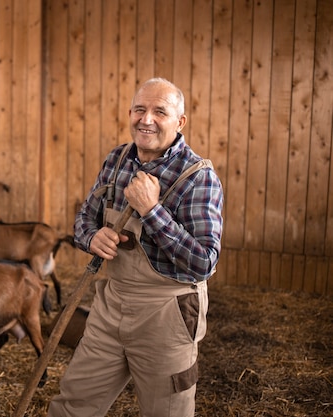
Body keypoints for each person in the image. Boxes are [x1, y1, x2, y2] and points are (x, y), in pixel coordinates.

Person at [47, 78, 224, 417]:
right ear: (130, 113)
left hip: (167, 314)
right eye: (140, 109)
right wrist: (91, 237)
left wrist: (152, 211)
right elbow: (86, 217)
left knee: (167, 411)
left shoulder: (198, 177)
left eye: (160, 111)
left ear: (180, 122)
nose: (147, 119)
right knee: (73, 405)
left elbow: (203, 263)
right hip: (110, 303)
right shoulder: (118, 159)